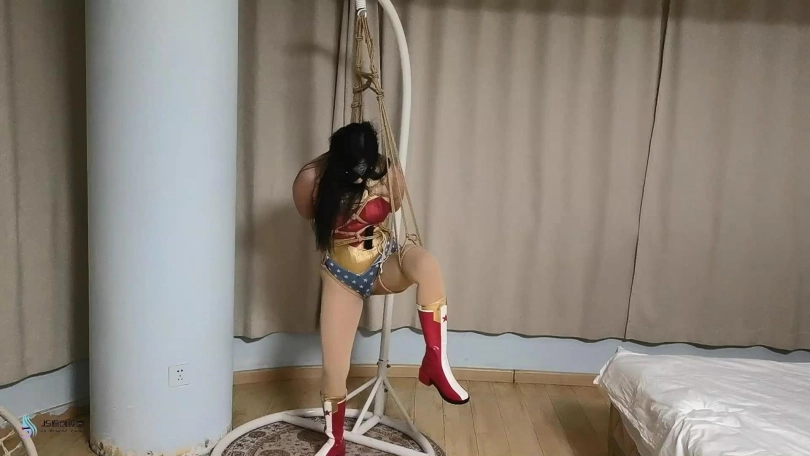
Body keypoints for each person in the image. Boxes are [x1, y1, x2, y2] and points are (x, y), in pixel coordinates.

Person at [292, 121, 469, 455]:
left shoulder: (387, 172)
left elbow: (397, 204)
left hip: (383, 260)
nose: (361, 175)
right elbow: (306, 212)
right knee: (335, 367)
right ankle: (335, 439)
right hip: (342, 276)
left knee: (426, 265)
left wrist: (384, 183)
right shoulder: (312, 178)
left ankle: (435, 361)